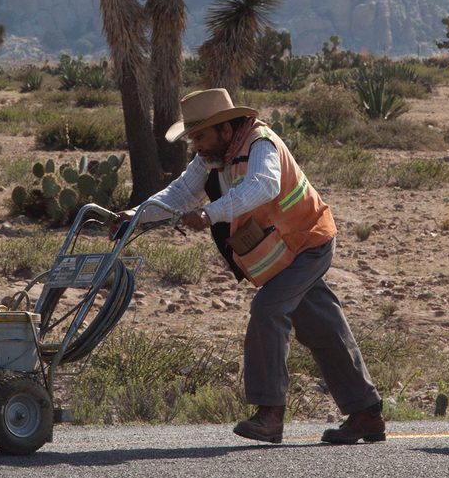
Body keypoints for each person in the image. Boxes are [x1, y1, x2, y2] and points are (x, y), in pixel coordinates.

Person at [113, 88, 384, 445]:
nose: (196, 145)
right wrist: (134, 216)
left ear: (226, 129)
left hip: (308, 243)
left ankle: (270, 414)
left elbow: (264, 185)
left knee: (268, 310)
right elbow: (179, 194)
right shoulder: (212, 157)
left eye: (201, 135)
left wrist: (210, 214)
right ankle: (366, 414)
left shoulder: (260, 143)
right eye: (193, 137)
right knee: (323, 329)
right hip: (284, 253)